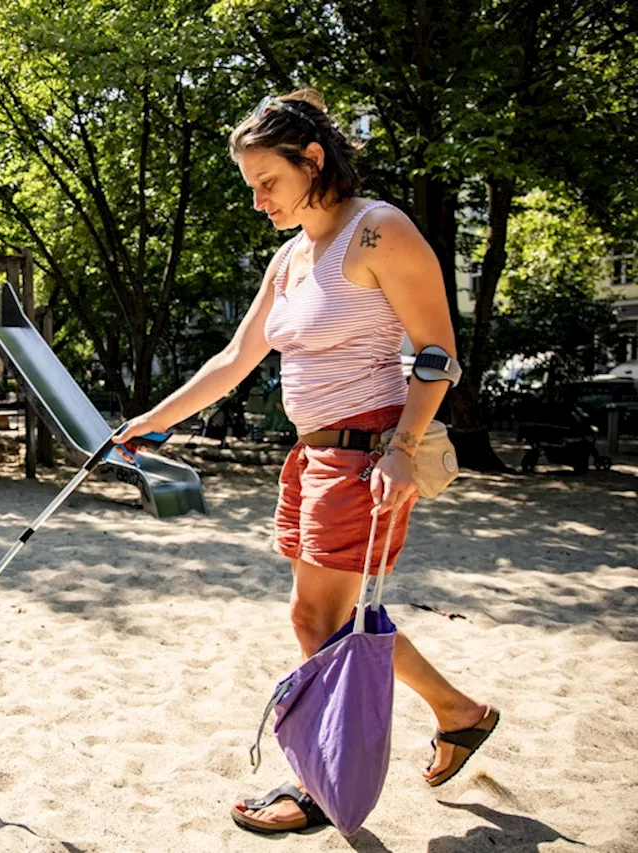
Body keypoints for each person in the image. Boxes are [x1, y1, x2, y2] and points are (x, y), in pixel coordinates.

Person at [114, 88, 499, 835]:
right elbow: (235, 357)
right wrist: (151, 422)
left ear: (313, 160)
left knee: (315, 616)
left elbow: (436, 353)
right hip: (311, 455)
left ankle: (320, 781)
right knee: (342, 620)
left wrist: (401, 447)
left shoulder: (377, 231)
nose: (259, 201)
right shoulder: (291, 258)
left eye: (269, 182)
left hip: (366, 451)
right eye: (252, 187)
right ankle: (459, 711)